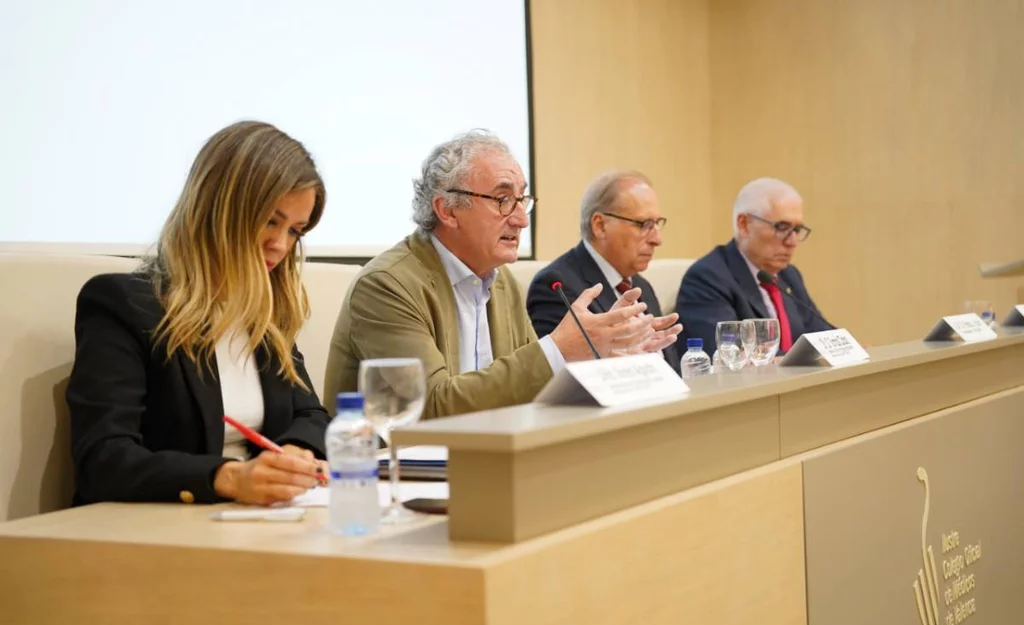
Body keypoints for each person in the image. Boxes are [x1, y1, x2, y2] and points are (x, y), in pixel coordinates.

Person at [324, 131, 680, 419]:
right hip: (393, 475)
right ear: (447, 209)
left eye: (522, 200)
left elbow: (533, 392)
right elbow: (431, 408)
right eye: (502, 200)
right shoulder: (388, 285)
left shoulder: (502, 282)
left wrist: (612, 359)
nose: (521, 219)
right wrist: (559, 349)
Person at [66, 121, 330, 507]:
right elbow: (103, 460)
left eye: (295, 231)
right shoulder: (123, 304)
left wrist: (296, 452)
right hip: (157, 534)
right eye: (271, 221)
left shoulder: (263, 312)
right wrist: (228, 478)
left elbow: (312, 415)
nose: (279, 245)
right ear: (220, 211)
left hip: (257, 525)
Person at [526, 170, 679, 372]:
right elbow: (566, 380)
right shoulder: (557, 286)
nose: (657, 239)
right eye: (644, 224)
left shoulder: (641, 286)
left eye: (657, 224)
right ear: (600, 226)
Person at [675, 177, 832, 357]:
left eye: (796, 230)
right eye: (782, 227)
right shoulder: (707, 278)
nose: (792, 241)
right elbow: (731, 356)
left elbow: (821, 335)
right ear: (744, 224)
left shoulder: (788, 275)